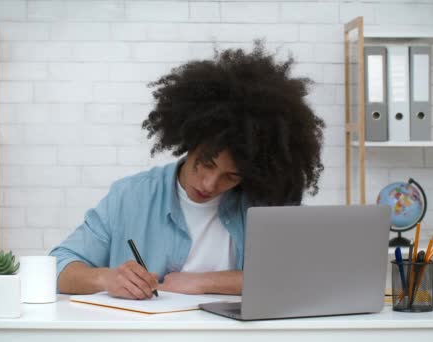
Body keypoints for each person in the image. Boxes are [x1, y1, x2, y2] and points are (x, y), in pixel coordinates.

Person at [49, 41, 325, 300]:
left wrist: (203, 282)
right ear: (190, 141)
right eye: (206, 163)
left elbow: (300, 275)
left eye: (231, 176)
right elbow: (59, 266)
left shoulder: (262, 203)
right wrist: (106, 279)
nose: (209, 184)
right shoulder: (131, 196)